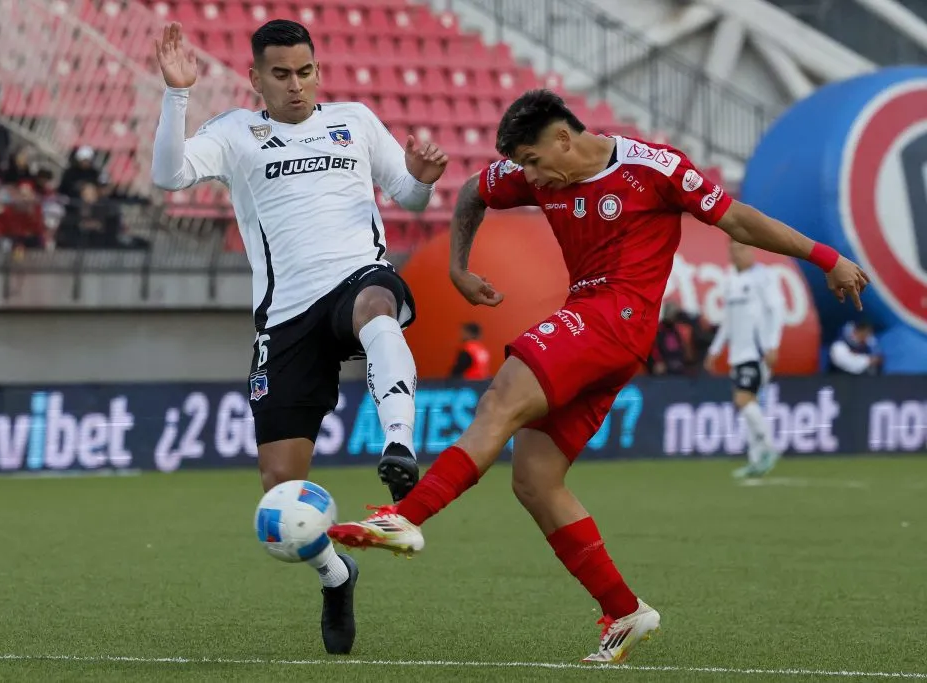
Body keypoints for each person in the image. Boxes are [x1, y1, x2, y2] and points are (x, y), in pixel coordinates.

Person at [329, 89, 868, 663]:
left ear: (564, 138)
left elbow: (737, 219)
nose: (530, 177)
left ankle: (406, 517)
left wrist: (827, 258)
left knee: (500, 400)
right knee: (535, 479)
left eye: (534, 161)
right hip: (601, 331)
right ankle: (625, 610)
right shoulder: (538, 175)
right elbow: (471, 192)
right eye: (523, 166)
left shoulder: (653, 169)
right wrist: (458, 268)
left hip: (615, 317)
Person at [150, 20, 447, 656]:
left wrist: (421, 178)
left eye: (305, 71)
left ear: (318, 71)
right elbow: (168, 176)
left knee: (378, 307)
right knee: (280, 491)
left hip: (355, 278)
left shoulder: (354, 121)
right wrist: (177, 95)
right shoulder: (236, 132)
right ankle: (336, 576)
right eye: (281, 74)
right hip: (285, 316)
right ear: (256, 78)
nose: (296, 85)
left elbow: (411, 198)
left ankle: (400, 446)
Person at [703, 239, 785, 478]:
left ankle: (769, 448)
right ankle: (756, 460)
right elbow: (728, 321)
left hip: (757, 352)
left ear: (751, 250)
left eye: (740, 249)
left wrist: (773, 344)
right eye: (733, 250)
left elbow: (777, 309)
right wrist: (715, 349)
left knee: (743, 399)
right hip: (737, 354)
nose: (736, 254)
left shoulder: (763, 276)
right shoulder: (730, 281)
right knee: (749, 404)